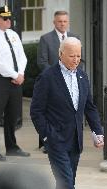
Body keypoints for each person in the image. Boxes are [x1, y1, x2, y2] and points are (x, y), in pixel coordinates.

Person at [30, 37, 104, 189]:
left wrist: (98, 132)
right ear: (61, 54)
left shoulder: (83, 77)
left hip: (75, 141)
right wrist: (46, 136)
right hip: (55, 140)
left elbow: (89, 107)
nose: (76, 59)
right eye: (72, 56)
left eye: (78, 55)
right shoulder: (47, 77)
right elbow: (36, 111)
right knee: (67, 183)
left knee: (66, 182)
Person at [0, 5, 30, 161]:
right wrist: (15, 74)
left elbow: (22, 57)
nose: (9, 20)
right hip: (0, 81)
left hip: (16, 80)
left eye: (9, 17)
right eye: (5, 18)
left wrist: (21, 74)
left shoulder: (13, 35)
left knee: (13, 115)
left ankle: (12, 147)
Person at [37, 10, 83, 153]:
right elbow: (42, 61)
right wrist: (55, 75)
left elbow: (79, 59)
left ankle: (69, 141)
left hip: (72, 81)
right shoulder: (45, 39)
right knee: (50, 113)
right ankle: (48, 142)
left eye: (65, 21)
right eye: (59, 21)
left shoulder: (75, 37)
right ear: (54, 22)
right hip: (52, 83)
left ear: (68, 22)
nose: (62, 24)